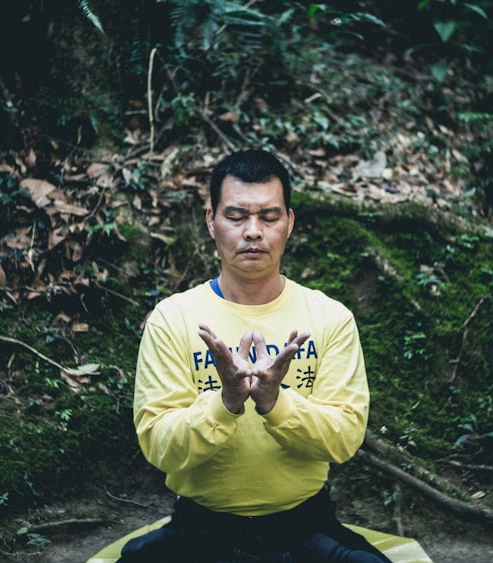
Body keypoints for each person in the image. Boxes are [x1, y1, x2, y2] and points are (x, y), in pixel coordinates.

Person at [120, 149, 389, 562]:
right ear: (211, 221)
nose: (252, 232)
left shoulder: (330, 317)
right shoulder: (173, 319)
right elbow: (159, 446)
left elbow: (345, 438)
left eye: (268, 217)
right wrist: (225, 403)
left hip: (304, 524)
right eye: (236, 216)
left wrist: (275, 402)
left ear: (289, 223)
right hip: (201, 526)